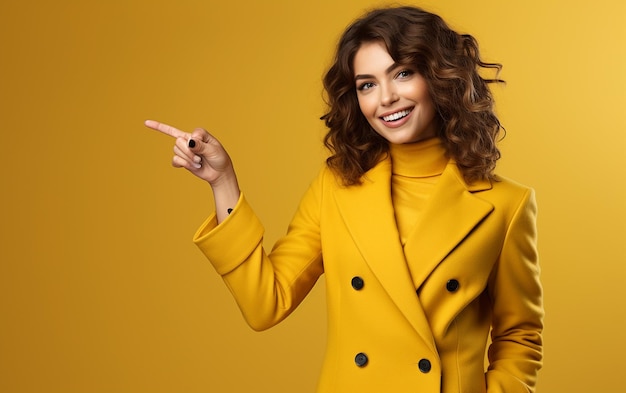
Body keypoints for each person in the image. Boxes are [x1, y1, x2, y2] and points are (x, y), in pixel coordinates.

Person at [145, 5, 543, 393]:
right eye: (367, 84)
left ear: (440, 77)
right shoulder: (335, 187)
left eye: (402, 73)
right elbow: (265, 304)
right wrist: (223, 181)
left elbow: (519, 334)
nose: (385, 98)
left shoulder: (506, 205)